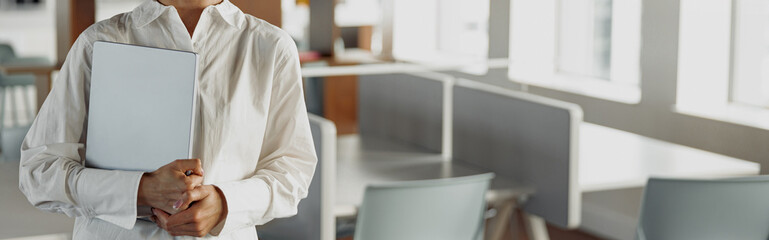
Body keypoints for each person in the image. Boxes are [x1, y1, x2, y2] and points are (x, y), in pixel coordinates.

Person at [18, 0, 317, 239]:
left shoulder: (271, 47)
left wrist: (227, 203)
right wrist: (140, 189)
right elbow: (39, 172)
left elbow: (292, 172)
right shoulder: (97, 42)